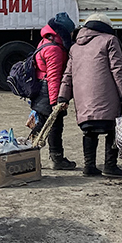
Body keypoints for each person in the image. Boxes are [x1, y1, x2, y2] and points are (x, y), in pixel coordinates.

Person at [56, 13, 122, 178]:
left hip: (83, 99)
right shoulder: (110, 40)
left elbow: (67, 74)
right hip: (107, 96)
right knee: (113, 129)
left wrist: (63, 97)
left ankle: (89, 166)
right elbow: (118, 70)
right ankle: (110, 166)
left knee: (89, 131)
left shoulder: (75, 47)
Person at [30, 13, 76, 171]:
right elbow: (54, 78)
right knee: (54, 127)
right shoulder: (54, 49)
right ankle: (56, 159)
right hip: (48, 92)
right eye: (70, 32)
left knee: (42, 126)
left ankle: (29, 155)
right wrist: (56, 102)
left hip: (40, 90)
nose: (72, 35)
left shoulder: (45, 41)